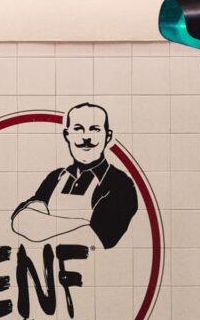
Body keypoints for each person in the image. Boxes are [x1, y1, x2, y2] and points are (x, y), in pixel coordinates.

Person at [9, 103, 140, 249]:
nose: (86, 138)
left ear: (108, 136)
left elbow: (97, 237)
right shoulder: (56, 177)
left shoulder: (120, 184)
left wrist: (42, 223)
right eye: (78, 129)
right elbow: (20, 221)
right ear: (67, 135)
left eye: (95, 129)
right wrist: (82, 223)